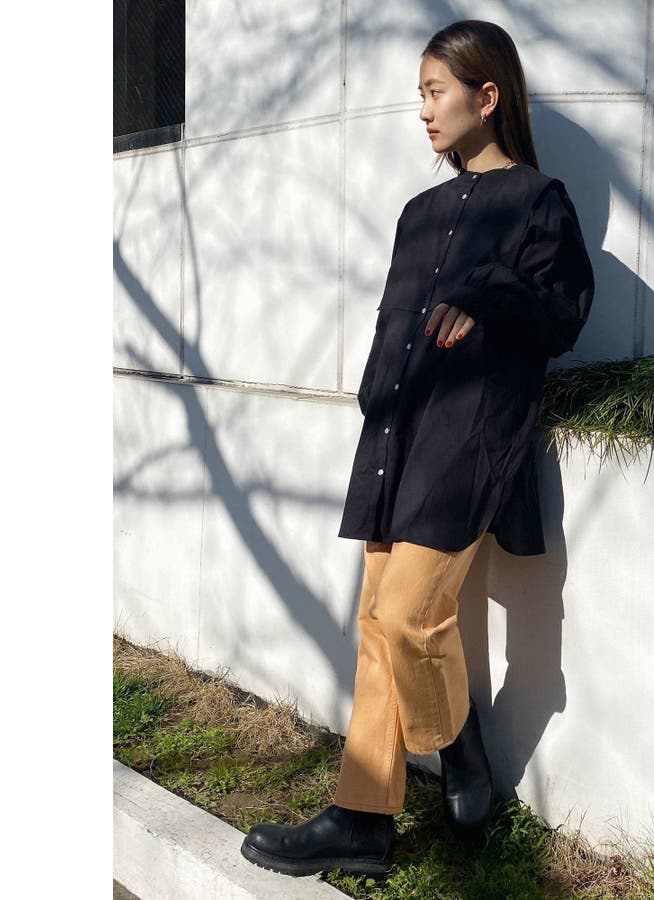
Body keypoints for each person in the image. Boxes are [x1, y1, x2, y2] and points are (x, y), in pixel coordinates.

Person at [241, 19, 595, 880]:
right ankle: (364, 819)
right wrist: (375, 397)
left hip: (469, 435)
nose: (424, 110)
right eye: (421, 95)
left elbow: (562, 314)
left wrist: (491, 295)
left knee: (407, 616)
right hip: (395, 435)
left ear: (487, 96)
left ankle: (459, 750)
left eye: (437, 92)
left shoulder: (537, 201)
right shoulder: (420, 213)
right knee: (374, 623)